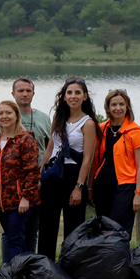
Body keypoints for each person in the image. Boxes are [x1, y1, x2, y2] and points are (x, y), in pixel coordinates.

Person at [39, 78, 98, 257]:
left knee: (73, 228)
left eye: (77, 93)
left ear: (85, 97)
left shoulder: (87, 124)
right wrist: (40, 176)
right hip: (53, 175)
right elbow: (50, 148)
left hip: (73, 176)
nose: (73, 96)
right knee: (47, 225)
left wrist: (79, 187)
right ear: (64, 97)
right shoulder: (59, 118)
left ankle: (70, 268)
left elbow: (87, 158)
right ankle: (44, 266)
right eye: (69, 93)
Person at [0, 100, 41, 263]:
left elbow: (32, 171)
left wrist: (26, 197)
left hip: (21, 202)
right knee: (16, 240)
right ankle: (25, 274)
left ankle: (12, 278)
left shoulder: (25, 139)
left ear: (17, 115)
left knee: (14, 241)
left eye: (8, 113)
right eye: (1, 113)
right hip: (2, 203)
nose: (4, 116)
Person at [92, 90, 140, 237]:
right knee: (102, 228)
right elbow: (95, 159)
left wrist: (138, 193)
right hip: (102, 185)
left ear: (127, 106)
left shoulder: (136, 132)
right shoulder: (101, 129)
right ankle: (104, 259)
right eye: (114, 104)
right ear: (108, 107)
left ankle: (121, 259)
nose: (118, 108)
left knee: (119, 230)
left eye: (122, 104)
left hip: (125, 187)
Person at [12, 77, 50, 251]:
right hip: (14, 183)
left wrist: (43, 175)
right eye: (20, 91)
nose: (24, 94)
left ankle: (32, 264)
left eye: (28, 90)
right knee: (13, 230)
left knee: (33, 229)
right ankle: (12, 266)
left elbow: (52, 149)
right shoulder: (7, 117)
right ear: (13, 94)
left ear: (33, 93)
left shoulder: (43, 118)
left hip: (40, 180)